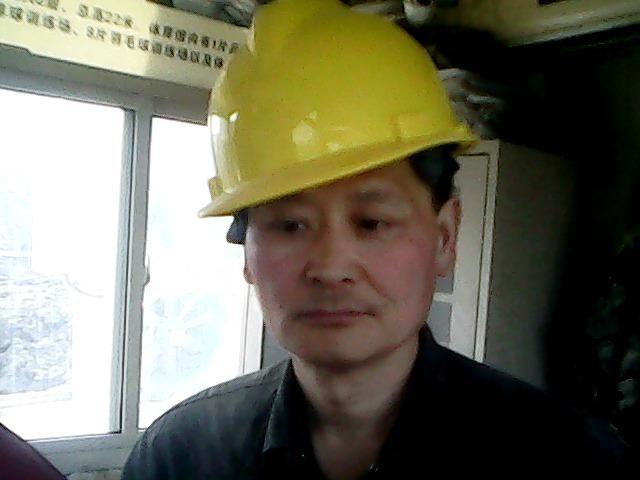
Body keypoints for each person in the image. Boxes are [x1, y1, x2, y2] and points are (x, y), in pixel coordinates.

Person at [122, 0, 631, 478]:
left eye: (371, 222)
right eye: (289, 225)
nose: (330, 267)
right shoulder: (180, 456)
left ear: (444, 238)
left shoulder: (565, 458)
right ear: (247, 257)